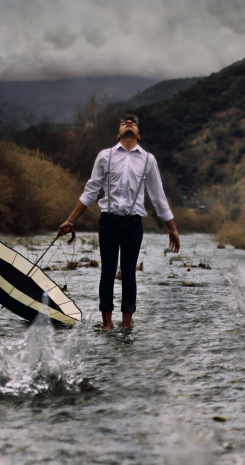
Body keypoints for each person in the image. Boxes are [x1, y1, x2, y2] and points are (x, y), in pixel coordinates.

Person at [58, 114, 180, 330]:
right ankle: (107, 324)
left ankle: (126, 325)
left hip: (134, 224)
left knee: (129, 272)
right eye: (125, 122)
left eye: (133, 122)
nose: (129, 123)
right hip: (108, 221)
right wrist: (70, 220)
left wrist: (172, 229)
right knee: (107, 271)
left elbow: (158, 197)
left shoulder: (148, 160)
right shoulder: (105, 156)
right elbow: (91, 191)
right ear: (119, 134)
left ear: (139, 135)